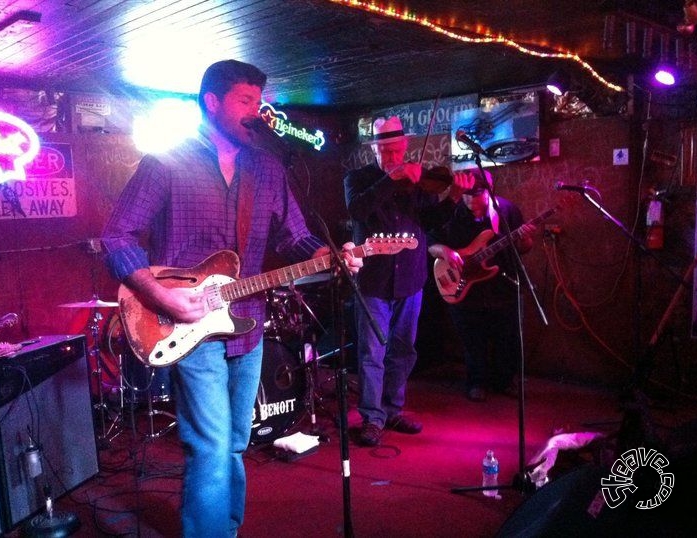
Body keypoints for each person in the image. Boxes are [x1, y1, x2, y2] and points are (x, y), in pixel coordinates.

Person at [101, 59, 362, 537]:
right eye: (245, 101)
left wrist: (331, 253)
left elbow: (297, 236)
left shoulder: (266, 167)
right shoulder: (167, 162)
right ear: (212, 102)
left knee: (237, 441)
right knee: (211, 442)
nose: (255, 112)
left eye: (259, 103)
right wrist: (163, 296)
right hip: (187, 324)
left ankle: (229, 527)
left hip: (247, 322)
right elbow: (117, 236)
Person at [344, 116, 468, 447]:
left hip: (411, 278)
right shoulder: (358, 179)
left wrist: (453, 198)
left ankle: (393, 409)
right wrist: (392, 179)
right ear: (375, 149)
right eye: (383, 149)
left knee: (402, 349)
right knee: (373, 353)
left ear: (405, 147)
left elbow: (432, 221)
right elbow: (358, 210)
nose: (390, 155)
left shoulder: (418, 182)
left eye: (395, 149)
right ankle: (372, 417)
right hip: (373, 280)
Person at [428, 170, 535, 402]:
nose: (469, 202)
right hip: (465, 289)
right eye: (465, 196)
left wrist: (525, 240)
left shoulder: (506, 211)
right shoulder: (452, 212)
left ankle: (505, 381)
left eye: (475, 196)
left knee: (507, 338)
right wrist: (445, 251)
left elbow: (523, 248)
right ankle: (476, 382)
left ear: (488, 191)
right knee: (472, 340)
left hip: (502, 285)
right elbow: (430, 243)